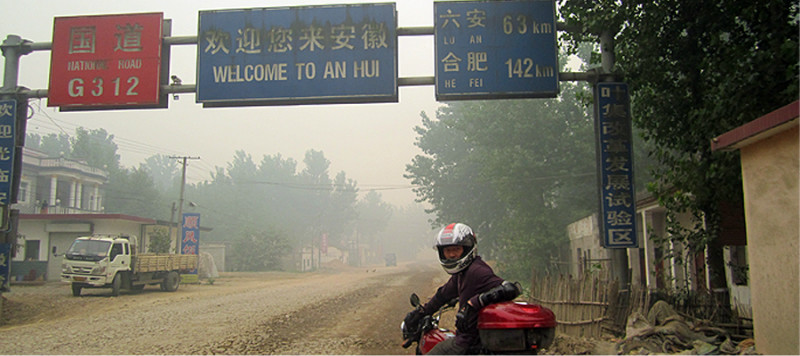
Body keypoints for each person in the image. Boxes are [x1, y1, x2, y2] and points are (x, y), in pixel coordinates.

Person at [404, 222, 520, 354]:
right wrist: (421, 312)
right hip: (470, 340)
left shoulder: (477, 271)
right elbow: (443, 295)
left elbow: (511, 288)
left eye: (456, 250)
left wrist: (475, 302)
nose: (452, 255)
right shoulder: (462, 273)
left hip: (471, 343)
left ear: (467, 249)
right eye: (448, 251)